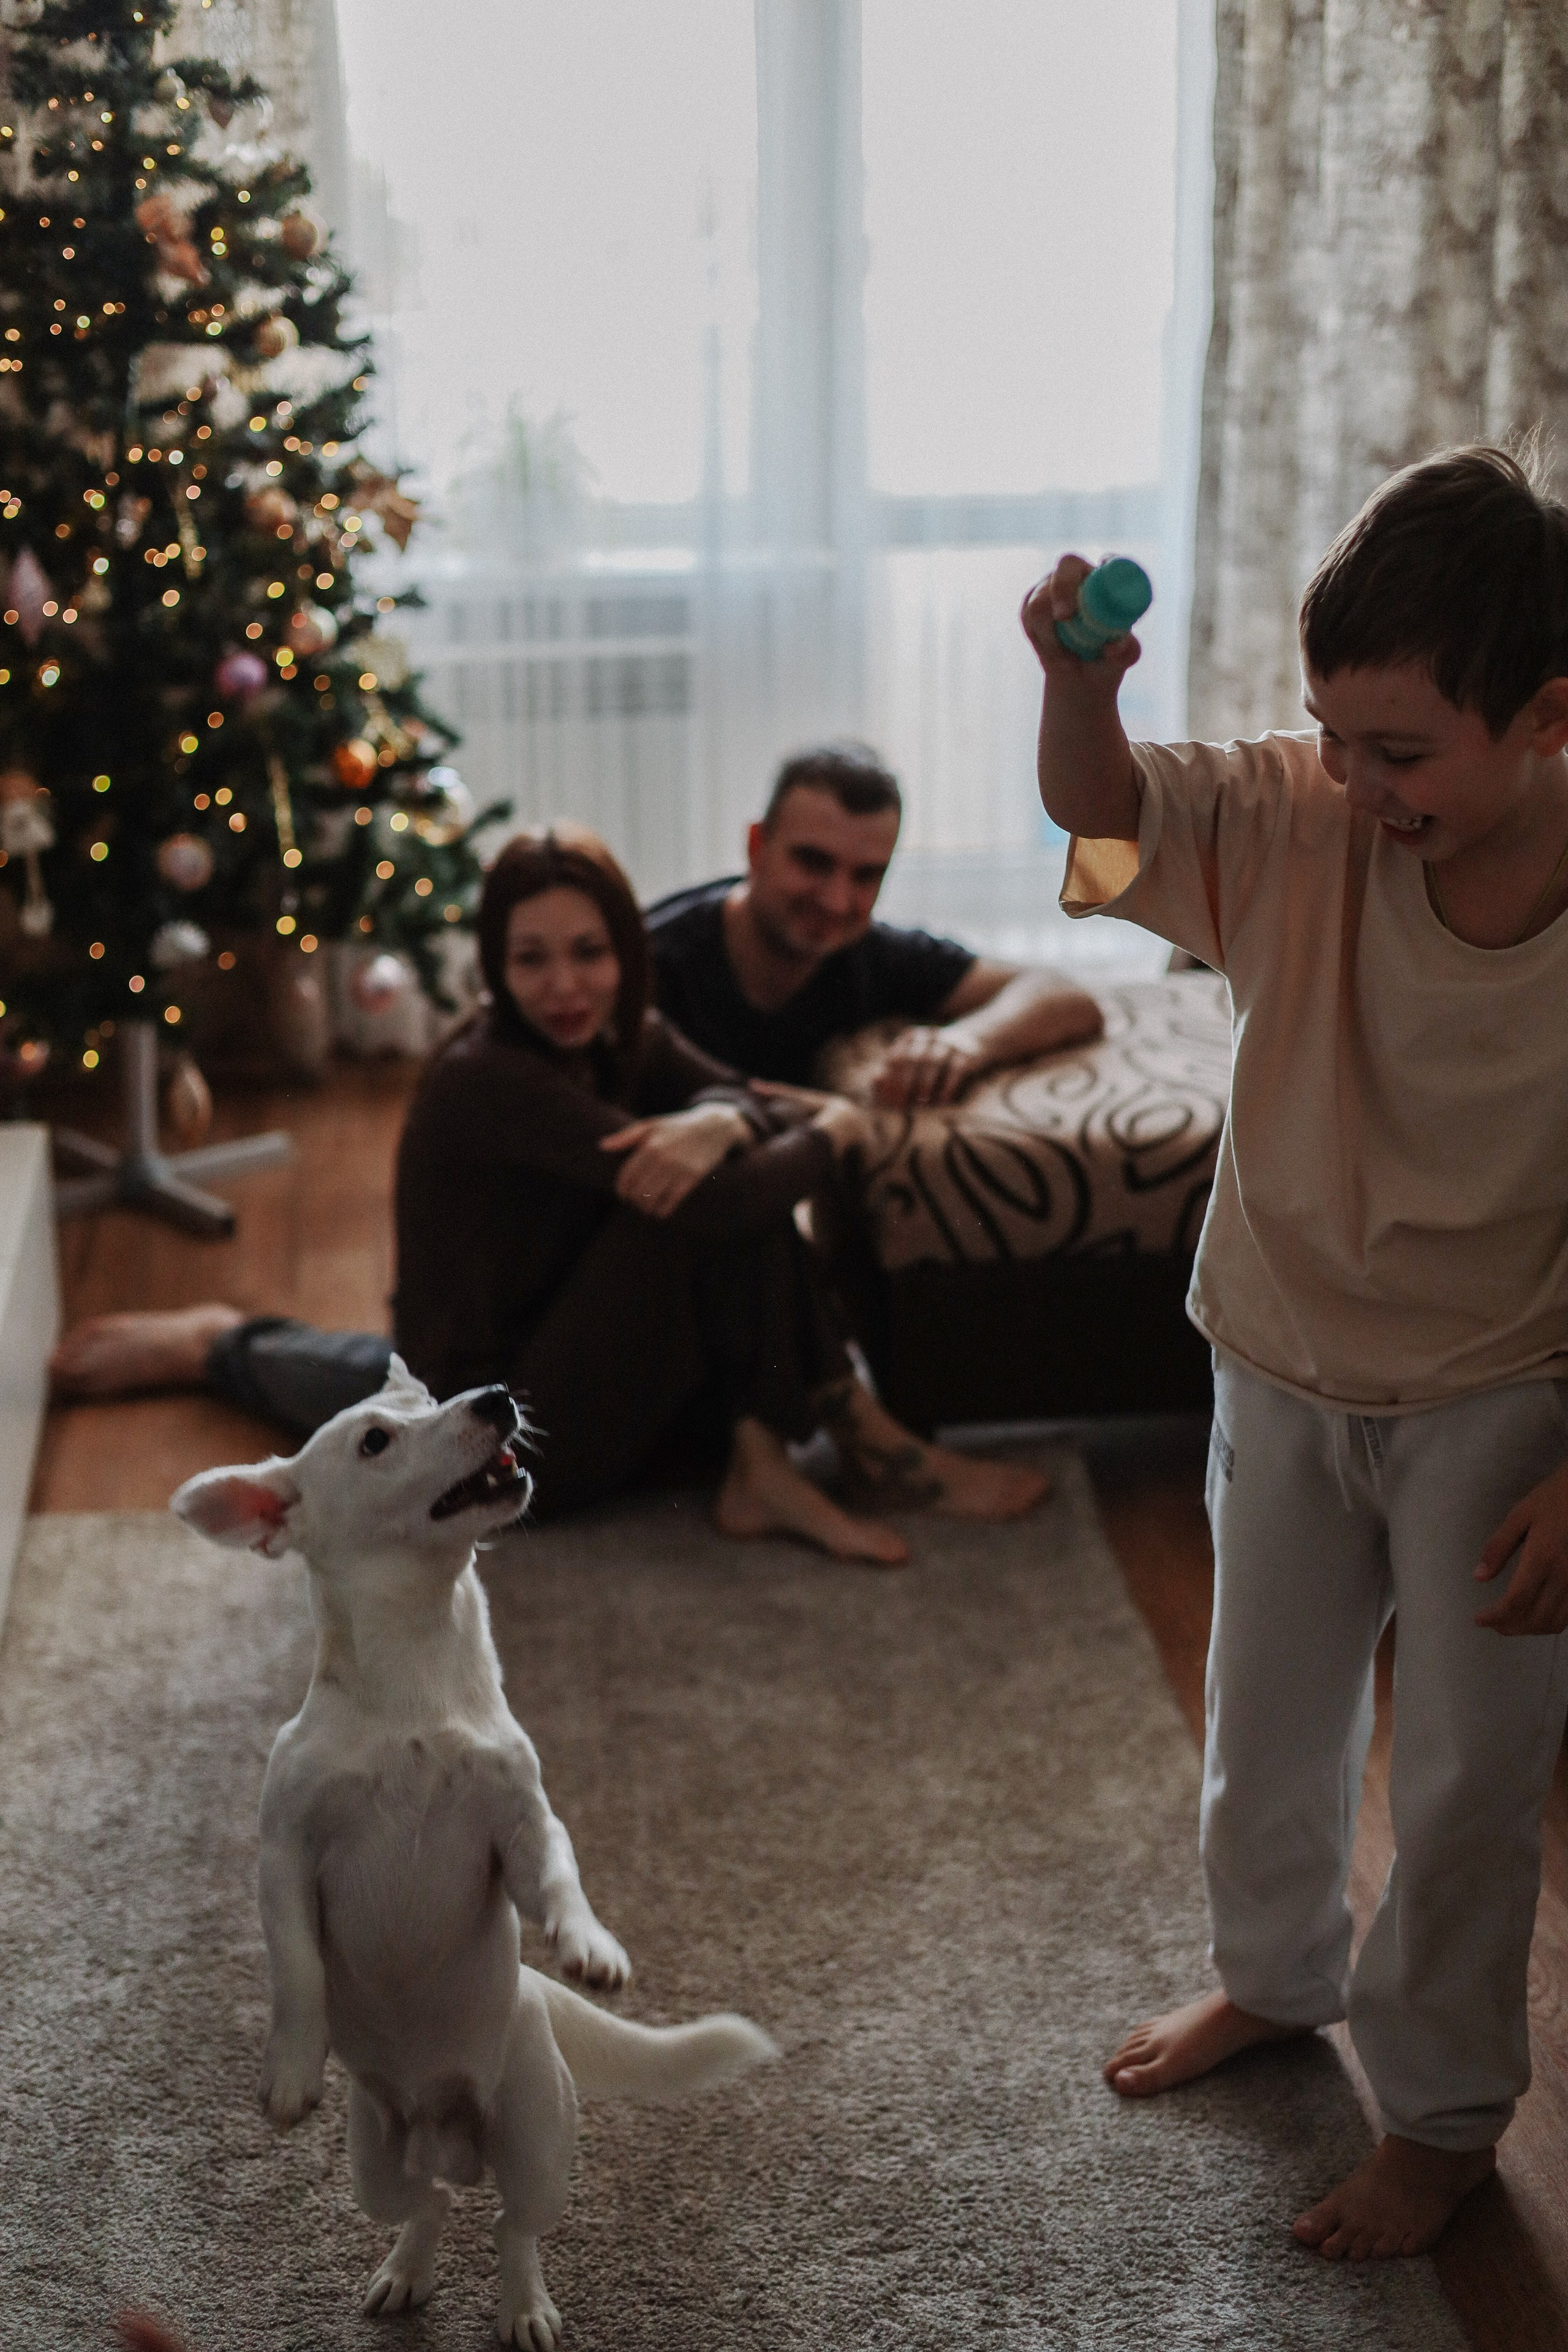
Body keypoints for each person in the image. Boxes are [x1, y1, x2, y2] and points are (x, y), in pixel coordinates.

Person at [1021, 448, 1568, 2262]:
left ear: (1549, 717)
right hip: (1273, 1345)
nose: (1353, 780)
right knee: (1263, 1722)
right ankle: (1269, 1978)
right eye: (1331, 732)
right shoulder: (1299, 810)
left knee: (1467, 1786)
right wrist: (1076, 697)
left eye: (1400, 750)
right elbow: (1100, 835)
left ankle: (1436, 2117)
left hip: (1499, 1393)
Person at [56, 828, 1047, 1558]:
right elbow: (742, 1179)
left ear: (626, 951)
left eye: (590, 952)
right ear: (495, 966)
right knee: (690, 1207)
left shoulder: (629, 1034)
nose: (566, 986)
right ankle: (848, 1442)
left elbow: (741, 1100)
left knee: (704, 1172)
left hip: (547, 1333)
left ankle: (767, 1461)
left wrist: (720, 1119)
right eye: (531, 959)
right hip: (496, 1431)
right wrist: (838, 1124)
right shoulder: (491, 1076)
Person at [646, 742, 1104, 1101]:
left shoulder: (873, 954)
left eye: (867, 875)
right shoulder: (651, 959)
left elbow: (1062, 994)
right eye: (813, 862)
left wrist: (968, 1042)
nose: (837, 901)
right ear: (756, 847)